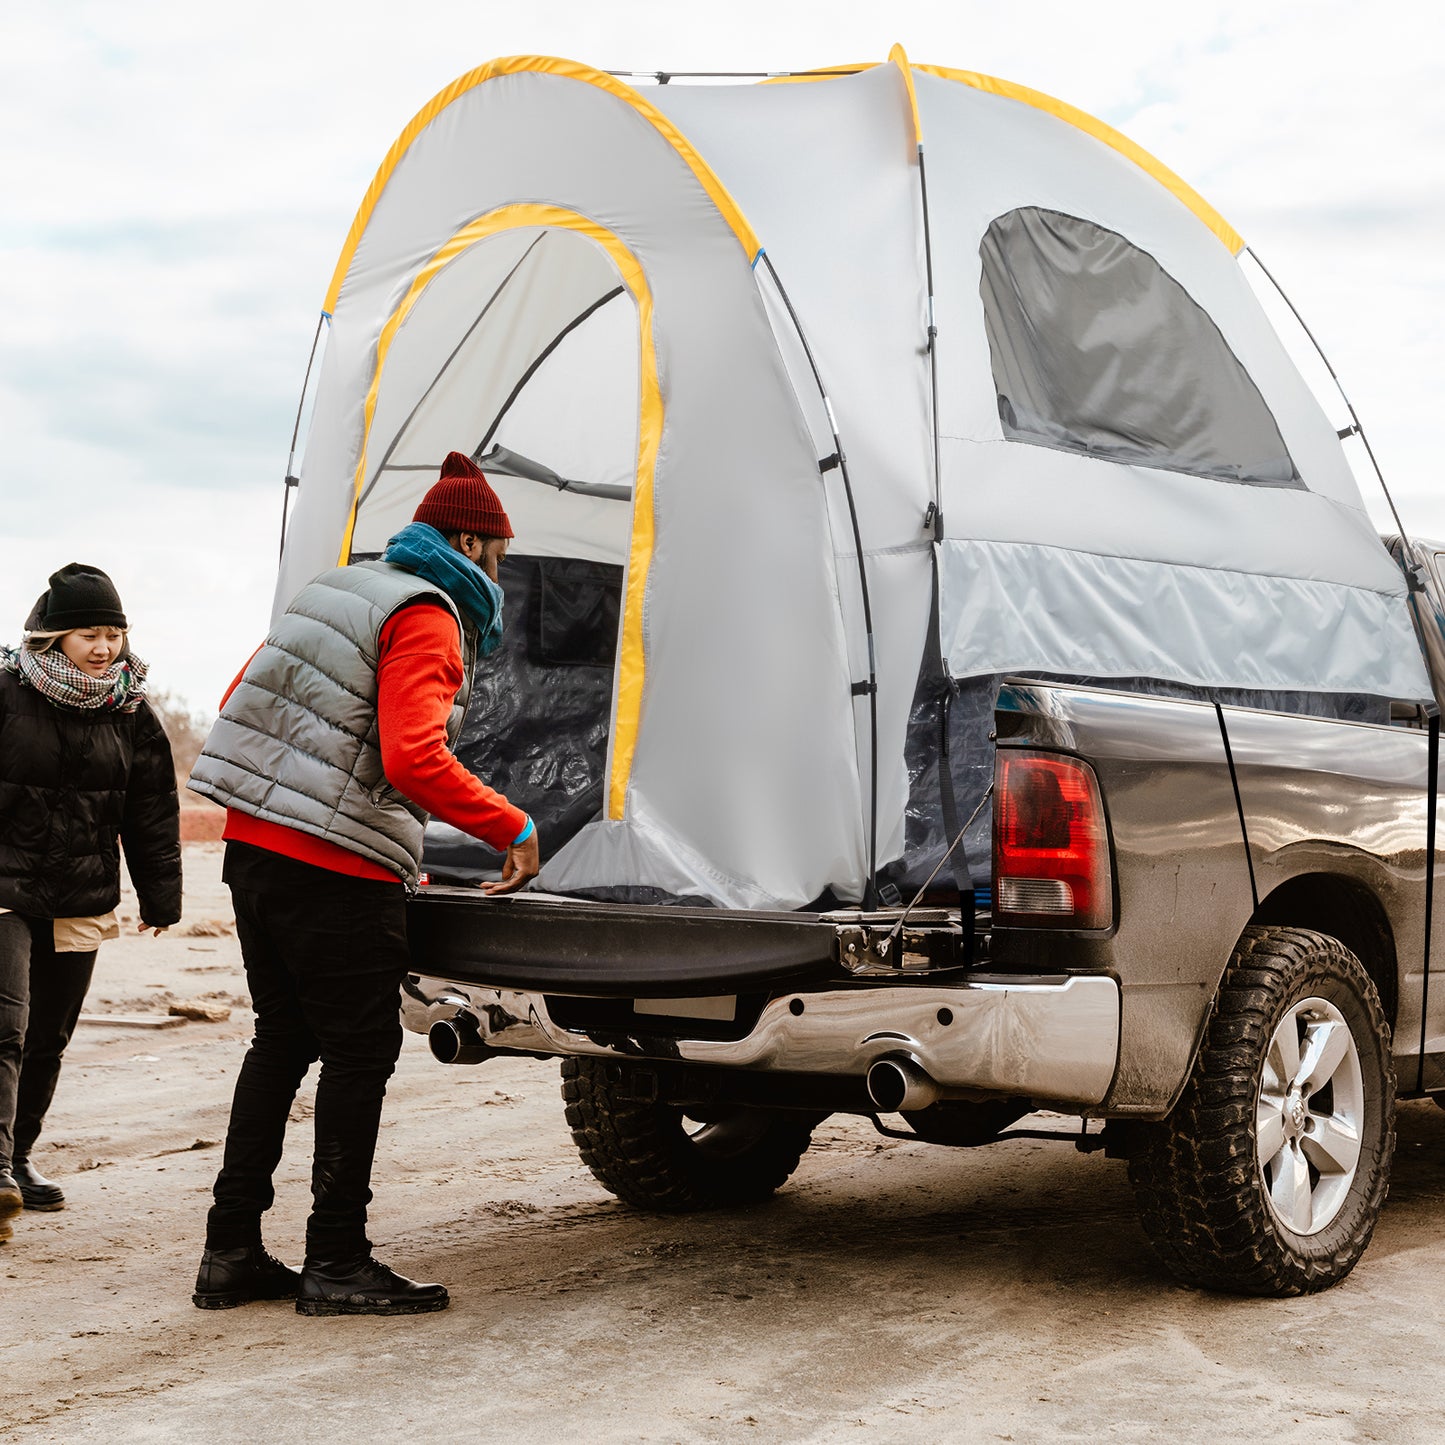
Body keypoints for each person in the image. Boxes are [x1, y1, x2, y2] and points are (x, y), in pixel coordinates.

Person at [188, 452, 541, 1316]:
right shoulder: (428, 612)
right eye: (498, 553)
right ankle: (336, 1259)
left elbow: (245, 696)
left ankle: (231, 1249)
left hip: (255, 852)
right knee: (358, 1051)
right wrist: (512, 826)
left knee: (281, 1041)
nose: (500, 572)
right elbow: (412, 755)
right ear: (469, 541)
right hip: (332, 868)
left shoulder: (334, 590)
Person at [0, 565, 181, 1245]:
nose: (104, 647)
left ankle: (18, 1153)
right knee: (6, 1026)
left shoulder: (129, 709)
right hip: (4, 885)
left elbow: (152, 808)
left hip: (81, 892)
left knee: (50, 1032)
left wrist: (160, 896)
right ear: (52, 638)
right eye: (89, 634)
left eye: (112, 633)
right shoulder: (6, 691)